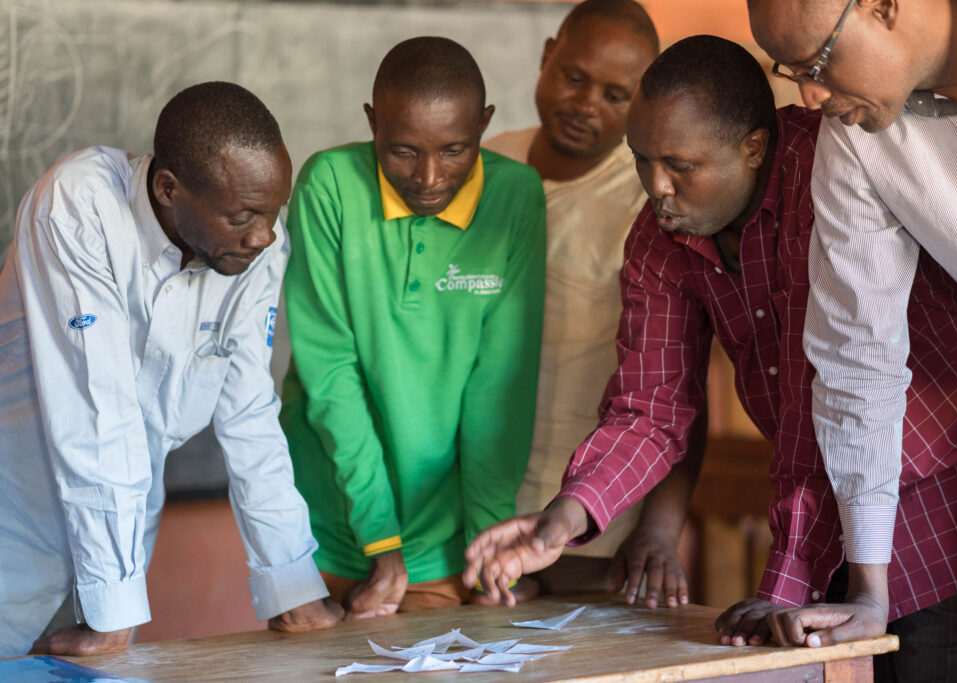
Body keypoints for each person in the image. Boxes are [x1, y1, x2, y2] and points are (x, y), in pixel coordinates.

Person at [462, 35, 957, 681]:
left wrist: (783, 582)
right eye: (641, 160)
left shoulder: (828, 177)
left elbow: (836, 395)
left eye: (680, 164)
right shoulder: (659, 235)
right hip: (845, 512)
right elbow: (650, 407)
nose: (657, 187)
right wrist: (562, 518)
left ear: (753, 146)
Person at [0, 82, 341, 658]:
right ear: (168, 188)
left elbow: (250, 410)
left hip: (124, 540)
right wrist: (113, 607)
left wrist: (293, 585)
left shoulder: (255, 246)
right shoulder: (79, 206)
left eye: (273, 212)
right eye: (243, 215)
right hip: (16, 522)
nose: (264, 235)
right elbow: (96, 412)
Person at [747, 1, 957, 677]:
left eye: (816, 64)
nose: (809, 95)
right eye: (791, 73)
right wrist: (871, 590)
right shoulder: (857, 137)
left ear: (881, 6)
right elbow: (856, 354)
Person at [280, 37, 546, 620]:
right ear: (372, 123)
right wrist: (381, 541)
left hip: (446, 532)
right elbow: (331, 373)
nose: (428, 177)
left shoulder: (516, 196)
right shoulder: (330, 186)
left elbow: (500, 382)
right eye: (401, 151)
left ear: (485, 125)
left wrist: (490, 546)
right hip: (326, 510)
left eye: (455, 150)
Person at [485, 0, 698, 607]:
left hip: (596, 528)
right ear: (548, 55)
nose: (585, 105)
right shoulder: (485, 166)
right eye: (575, 77)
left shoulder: (649, 203)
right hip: (475, 509)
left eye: (615, 94)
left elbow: (677, 391)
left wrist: (657, 532)